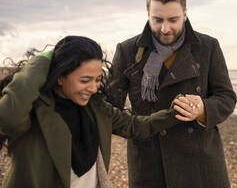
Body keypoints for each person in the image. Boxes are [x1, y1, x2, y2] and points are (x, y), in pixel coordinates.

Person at [0, 35, 195, 188]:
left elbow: (136, 127)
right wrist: (41, 61)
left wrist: (176, 111)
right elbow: (7, 118)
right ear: (60, 76)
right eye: (85, 80)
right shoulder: (33, 109)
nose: (93, 88)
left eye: (97, 79)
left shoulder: (96, 107)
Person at [107, 0, 237, 188]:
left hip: (199, 162)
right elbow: (109, 108)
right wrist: (138, 127)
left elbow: (226, 97)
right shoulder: (127, 50)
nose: (165, 28)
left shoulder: (208, 47)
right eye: (157, 20)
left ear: (185, 15)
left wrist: (203, 109)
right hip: (149, 163)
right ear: (147, 14)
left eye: (173, 20)